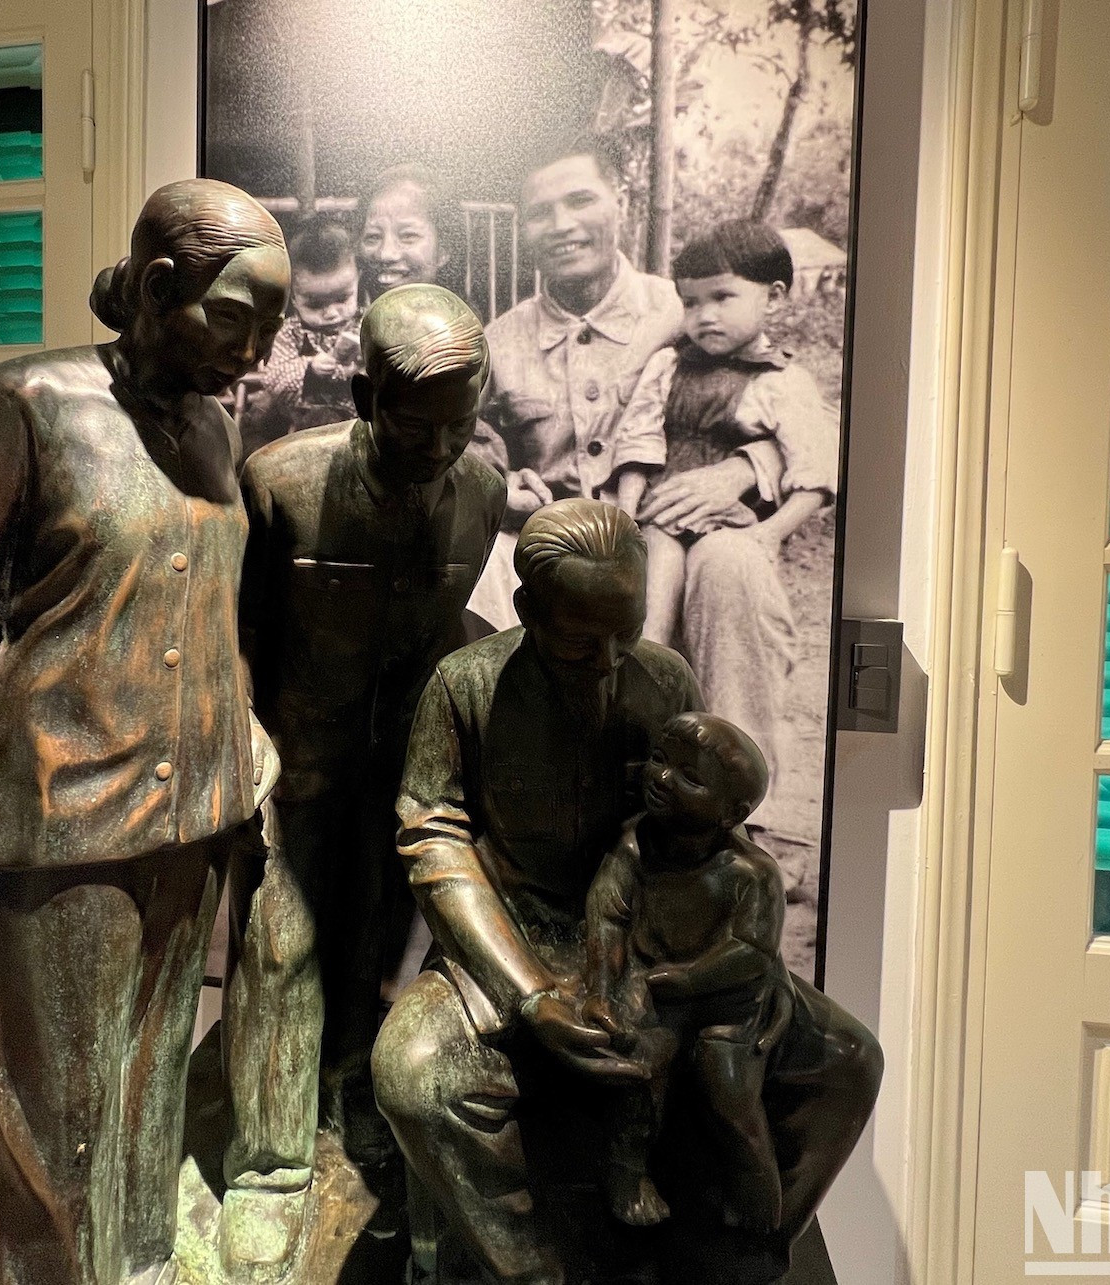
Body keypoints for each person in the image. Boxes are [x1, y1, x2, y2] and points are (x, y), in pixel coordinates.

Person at [0, 179, 289, 1285]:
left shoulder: (211, 429)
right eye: (238, 319)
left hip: (195, 812)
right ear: (156, 286)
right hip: (63, 812)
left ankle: (136, 1271)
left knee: (147, 1098)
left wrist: (249, 774)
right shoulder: (24, 403)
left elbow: (205, 614)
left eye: (272, 328)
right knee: (52, 1125)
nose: (258, 353)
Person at [372, 500, 881, 1285]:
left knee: (848, 1061)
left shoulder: (664, 677)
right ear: (527, 609)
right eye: (581, 642)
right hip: (519, 933)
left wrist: (734, 951)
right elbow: (432, 838)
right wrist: (531, 989)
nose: (610, 660)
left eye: (627, 631)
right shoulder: (466, 687)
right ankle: (529, 1266)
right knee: (412, 1072)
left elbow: (712, 822)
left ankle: (740, 1247)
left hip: (661, 937)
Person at [222, 285, 505, 1279]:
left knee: (380, 948)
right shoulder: (278, 483)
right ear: (358, 393)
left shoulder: (483, 490)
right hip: (290, 767)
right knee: (280, 948)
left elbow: (453, 630)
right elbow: (232, 640)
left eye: (458, 425)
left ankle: (348, 1095)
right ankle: (266, 1165)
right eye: (412, 424)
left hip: (399, 768)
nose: (437, 449)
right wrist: (247, 746)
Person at [466, 140, 793, 641]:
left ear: (620, 199)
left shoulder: (686, 310)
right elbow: (456, 442)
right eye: (539, 213)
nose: (561, 226)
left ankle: (728, 721)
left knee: (729, 568)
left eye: (580, 200)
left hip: (669, 536)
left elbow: (798, 406)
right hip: (551, 548)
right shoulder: (499, 341)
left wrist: (740, 469)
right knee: (486, 574)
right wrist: (498, 489)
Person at [606, 223, 838, 839]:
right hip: (661, 514)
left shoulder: (783, 381)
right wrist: (631, 511)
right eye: (690, 302)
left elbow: (814, 475)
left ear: (776, 297)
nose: (703, 315)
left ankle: (735, 802)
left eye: (723, 297)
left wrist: (771, 533)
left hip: (732, 527)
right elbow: (638, 442)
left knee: (725, 570)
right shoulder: (666, 367)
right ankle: (637, 783)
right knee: (648, 621)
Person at [582, 713, 792, 1236]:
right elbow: (607, 915)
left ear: (732, 813)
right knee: (637, 1065)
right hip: (656, 987)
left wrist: (691, 977)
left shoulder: (752, 875)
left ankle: (757, 1203)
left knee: (728, 1094)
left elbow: (751, 951)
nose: (661, 778)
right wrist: (603, 991)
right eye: (659, 760)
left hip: (728, 1005)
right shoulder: (633, 846)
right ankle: (626, 1174)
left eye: (689, 777)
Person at [242, 213, 364, 455]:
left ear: (358, 281)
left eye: (342, 298)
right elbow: (274, 379)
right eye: (315, 304)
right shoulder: (291, 333)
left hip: (359, 419)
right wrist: (309, 367)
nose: (331, 313)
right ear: (294, 296)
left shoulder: (365, 323)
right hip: (301, 424)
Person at [357, 162, 458, 299]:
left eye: (408, 236)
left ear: (444, 250)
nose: (385, 254)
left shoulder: (462, 319)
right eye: (373, 237)